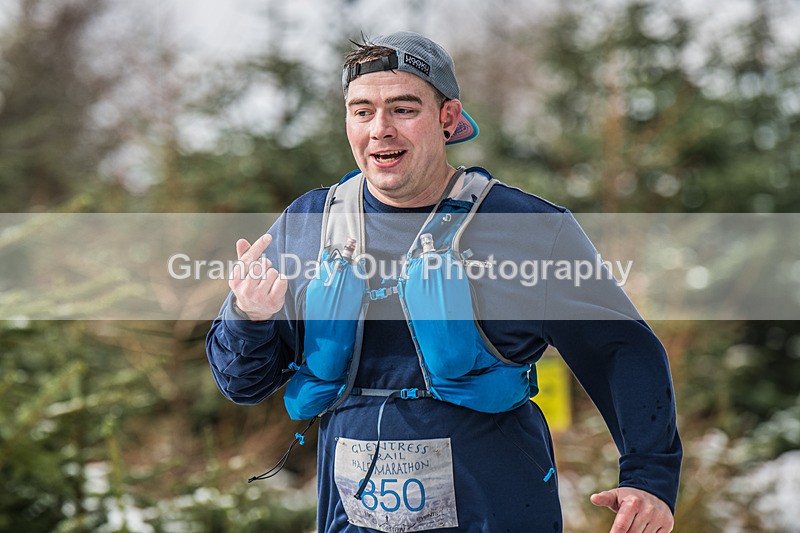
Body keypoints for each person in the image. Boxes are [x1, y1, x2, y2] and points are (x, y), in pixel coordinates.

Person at [206, 31, 681, 532]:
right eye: (362, 111)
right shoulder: (307, 225)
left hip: (497, 513)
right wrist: (249, 317)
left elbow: (621, 350)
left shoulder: (527, 229)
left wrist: (650, 478)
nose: (380, 130)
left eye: (403, 109)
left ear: (448, 118)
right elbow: (242, 383)